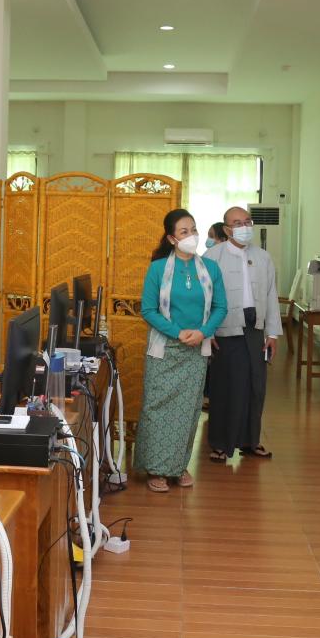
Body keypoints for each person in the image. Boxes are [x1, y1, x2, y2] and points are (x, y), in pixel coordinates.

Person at [136, 208, 226, 493]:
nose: (191, 236)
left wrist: (202, 332)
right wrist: (177, 332)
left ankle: (178, 466)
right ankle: (156, 469)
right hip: (164, 349)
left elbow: (221, 307)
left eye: (193, 229)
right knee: (157, 409)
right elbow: (148, 310)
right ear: (171, 239)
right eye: (184, 231)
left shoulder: (210, 269)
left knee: (187, 411)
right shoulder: (158, 269)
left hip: (196, 348)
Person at [205, 206, 282, 462]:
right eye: (237, 223)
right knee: (225, 387)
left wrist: (273, 333)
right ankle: (220, 444)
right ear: (227, 229)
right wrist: (207, 331)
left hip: (254, 328)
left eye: (247, 221)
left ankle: (251, 441)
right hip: (224, 329)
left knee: (255, 386)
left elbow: (271, 295)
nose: (244, 227)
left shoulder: (263, 257)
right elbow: (204, 298)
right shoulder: (212, 257)